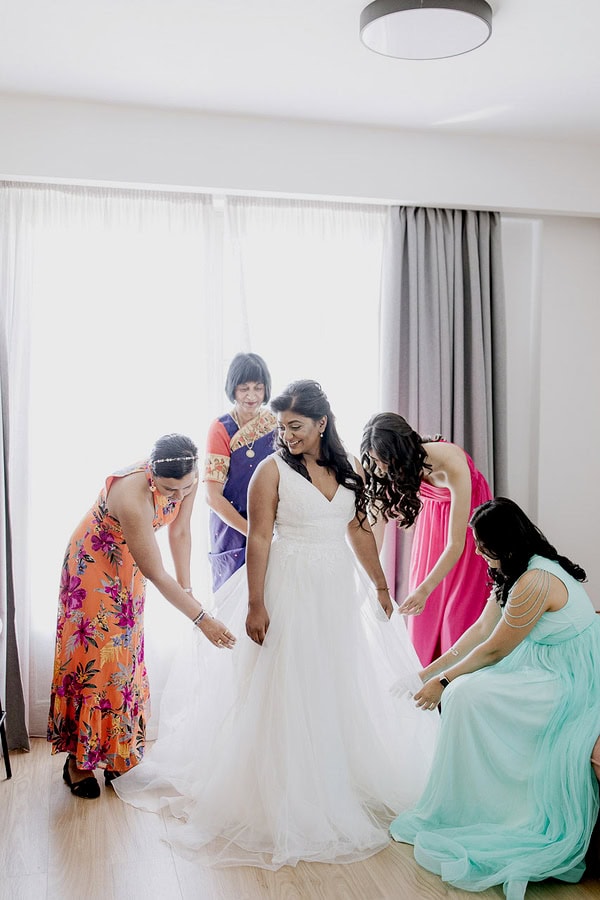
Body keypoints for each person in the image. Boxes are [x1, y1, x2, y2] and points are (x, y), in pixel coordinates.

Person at [114, 381, 438, 868]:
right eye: (282, 426)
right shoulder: (271, 470)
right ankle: (289, 788)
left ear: (321, 424)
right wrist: (255, 603)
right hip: (288, 588)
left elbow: (358, 528)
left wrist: (380, 586)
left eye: (295, 427)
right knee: (289, 685)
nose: (285, 435)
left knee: (332, 681)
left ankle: (334, 775)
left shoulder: (347, 470)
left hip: (334, 593)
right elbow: (260, 539)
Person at [389, 497, 600, 900]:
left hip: (570, 676)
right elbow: (481, 631)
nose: (479, 553)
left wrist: (445, 684)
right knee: (470, 693)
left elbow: (493, 651)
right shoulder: (515, 570)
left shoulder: (536, 581)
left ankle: (500, 811)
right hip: (541, 663)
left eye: (484, 546)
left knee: (469, 695)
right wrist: (427, 671)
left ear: (505, 543)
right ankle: (475, 802)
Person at [48, 434, 236, 800]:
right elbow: (156, 572)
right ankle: (79, 761)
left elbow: (180, 532)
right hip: (93, 564)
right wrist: (202, 619)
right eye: (169, 490)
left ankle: (116, 751)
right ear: (151, 473)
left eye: (184, 488)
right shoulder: (132, 495)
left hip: (129, 564)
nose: (177, 497)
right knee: (94, 658)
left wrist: (189, 588)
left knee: (124, 657)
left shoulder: (186, 478)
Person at [361, 413, 492, 665]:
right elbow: (378, 525)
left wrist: (424, 590)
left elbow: (456, 543)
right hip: (434, 525)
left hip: (467, 526)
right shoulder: (394, 466)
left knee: (456, 616)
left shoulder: (451, 462)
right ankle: (425, 685)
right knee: (423, 618)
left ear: (398, 453)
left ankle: (455, 685)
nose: (380, 469)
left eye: (382, 462)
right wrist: (371, 576)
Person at [204, 352, 277, 591]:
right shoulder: (220, 429)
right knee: (230, 603)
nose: (252, 396)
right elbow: (213, 497)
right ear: (232, 389)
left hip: (270, 523)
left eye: (258, 388)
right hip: (231, 528)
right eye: (244, 388)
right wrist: (252, 532)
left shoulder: (276, 425)